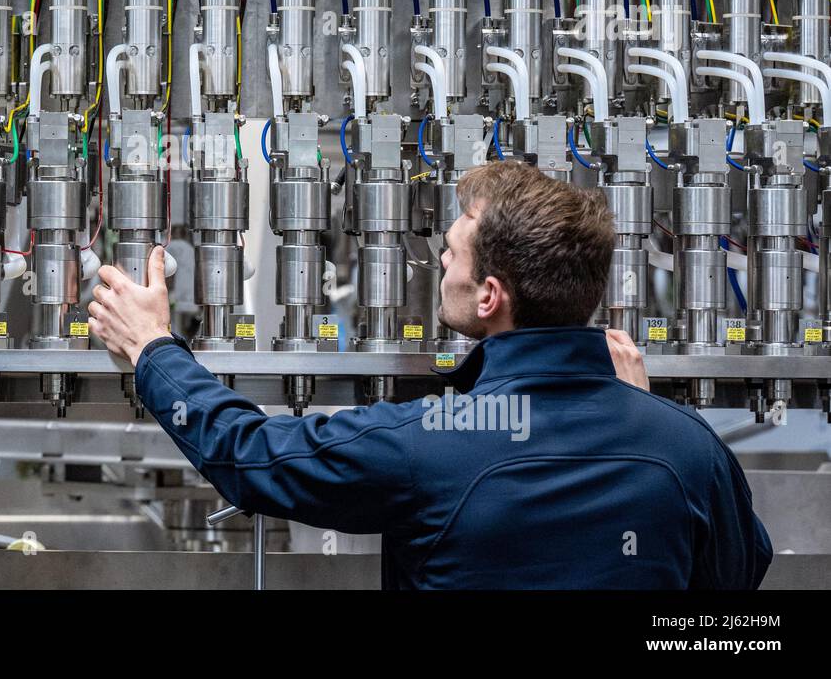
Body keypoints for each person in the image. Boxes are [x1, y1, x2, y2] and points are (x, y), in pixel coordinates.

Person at [87, 161, 772, 589]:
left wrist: (153, 348)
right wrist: (649, 425)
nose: (439, 265)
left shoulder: (433, 439)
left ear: (489, 295)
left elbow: (247, 456)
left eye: (450, 254)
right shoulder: (690, 450)